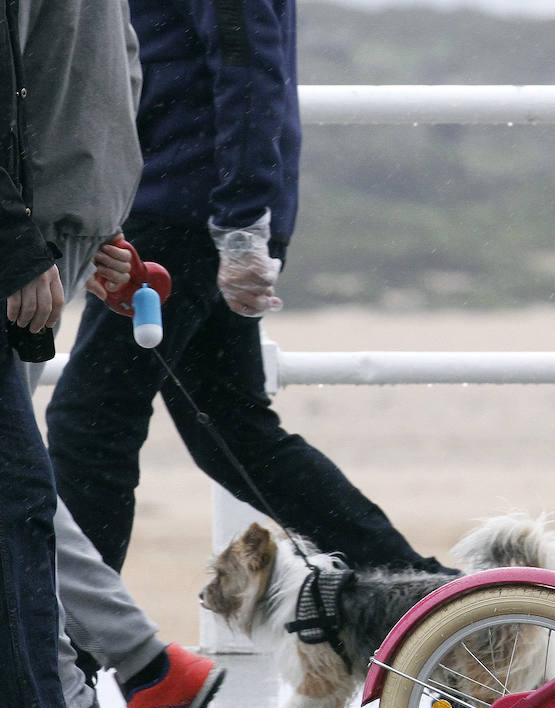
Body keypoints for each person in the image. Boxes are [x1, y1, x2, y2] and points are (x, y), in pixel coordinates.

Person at [44, 0, 452, 619]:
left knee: (91, 423)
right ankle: (423, 592)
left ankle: (78, 648)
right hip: (190, 200)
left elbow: (247, 61)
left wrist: (241, 221)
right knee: (231, 426)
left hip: (185, 206)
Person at [1, 0, 207, 708]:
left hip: (54, 232)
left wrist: (96, 222)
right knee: (17, 498)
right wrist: (16, 239)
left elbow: (85, 77)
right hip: (25, 236)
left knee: (19, 496)